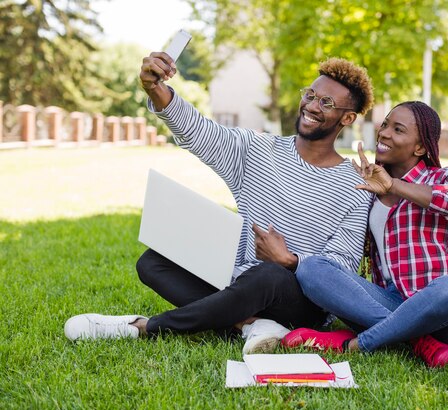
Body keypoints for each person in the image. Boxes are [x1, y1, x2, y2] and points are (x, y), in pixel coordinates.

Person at [64, 54, 375, 354]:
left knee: (268, 275)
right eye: (310, 94)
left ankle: (142, 327)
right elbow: (200, 131)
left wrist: (290, 260)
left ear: (347, 118)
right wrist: (157, 90)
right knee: (153, 262)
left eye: (327, 102)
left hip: (299, 302)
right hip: (239, 281)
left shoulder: (356, 185)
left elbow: (344, 266)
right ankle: (249, 325)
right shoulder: (257, 150)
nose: (311, 105)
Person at [282, 101, 448, 367]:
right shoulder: (370, 191)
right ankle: (418, 342)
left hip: (440, 309)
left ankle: (354, 343)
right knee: (311, 268)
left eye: (398, 130)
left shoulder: (444, 176)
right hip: (390, 301)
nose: (384, 133)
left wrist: (395, 186)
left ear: (420, 147)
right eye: (384, 124)